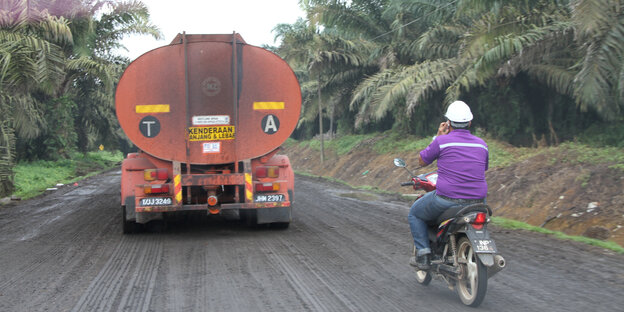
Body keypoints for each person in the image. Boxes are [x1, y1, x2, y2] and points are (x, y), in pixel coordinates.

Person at [408, 100, 489, 269]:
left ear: (448, 123)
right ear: (470, 122)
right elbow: (484, 167)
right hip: (479, 201)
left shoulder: (442, 142)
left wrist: (438, 136)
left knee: (415, 213)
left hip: (447, 199)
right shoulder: (482, 145)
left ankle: (423, 253)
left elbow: (422, 161)